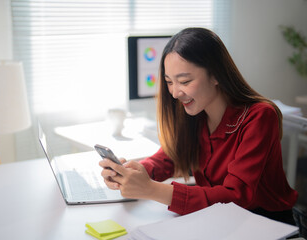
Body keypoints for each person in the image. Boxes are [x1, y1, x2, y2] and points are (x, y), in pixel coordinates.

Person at [99, 27, 298, 225]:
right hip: (216, 219)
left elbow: (236, 196)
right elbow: (168, 158)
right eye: (169, 82)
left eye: (184, 81)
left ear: (216, 75)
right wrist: (131, 173)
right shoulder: (194, 114)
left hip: (265, 222)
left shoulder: (260, 116)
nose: (175, 93)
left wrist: (151, 189)